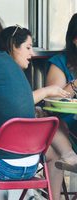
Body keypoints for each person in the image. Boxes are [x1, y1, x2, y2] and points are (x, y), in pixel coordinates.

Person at [0, 25, 77, 200]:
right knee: (53, 122)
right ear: (12, 47)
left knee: (53, 150)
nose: (31, 54)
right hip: (5, 150)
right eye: (28, 47)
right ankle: (69, 156)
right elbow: (14, 105)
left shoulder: (14, 73)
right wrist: (45, 94)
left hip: (17, 146)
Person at [46, 13, 77, 172]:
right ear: (74, 40)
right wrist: (75, 85)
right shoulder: (61, 62)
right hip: (69, 127)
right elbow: (52, 100)